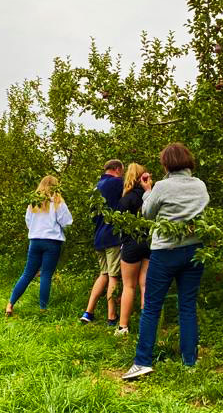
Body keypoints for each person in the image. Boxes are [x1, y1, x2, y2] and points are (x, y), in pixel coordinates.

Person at [122, 143, 210, 380]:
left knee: (151, 306)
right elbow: (203, 211)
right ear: (188, 161)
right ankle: (190, 362)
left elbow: (147, 214)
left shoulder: (162, 186)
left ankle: (142, 361)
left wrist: (148, 190)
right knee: (188, 307)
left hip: (165, 252)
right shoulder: (200, 185)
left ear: (166, 163)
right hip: (194, 250)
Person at [6, 176, 72, 316]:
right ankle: (42, 308)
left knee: (27, 274)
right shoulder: (58, 202)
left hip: (35, 241)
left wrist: (37, 229)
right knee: (46, 275)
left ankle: (10, 304)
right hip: (52, 242)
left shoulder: (33, 203)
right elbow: (67, 223)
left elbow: (28, 221)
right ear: (56, 186)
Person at [79, 159, 124, 326]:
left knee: (103, 274)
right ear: (117, 169)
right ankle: (112, 317)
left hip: (99, 236)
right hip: (112, 235)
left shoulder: (96, 187)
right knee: (113, 276)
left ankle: (88, 312)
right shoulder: (116, 183)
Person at [114, 163, 150, 336]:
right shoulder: (150, 197)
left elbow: (117, 223)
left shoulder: (126, 199)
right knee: (145, 284)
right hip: (149, 242)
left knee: (129, 286)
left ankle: (123, 326)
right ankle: (146, 324)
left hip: (131, 243)